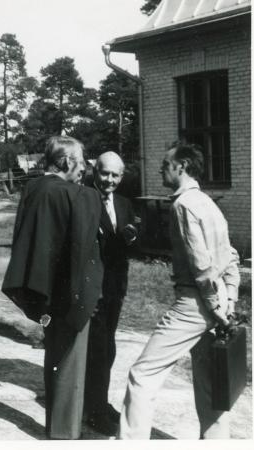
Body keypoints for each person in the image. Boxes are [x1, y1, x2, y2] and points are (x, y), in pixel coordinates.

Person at [118, 143, 240, 439]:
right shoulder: (208, 203)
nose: (161, 169)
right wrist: (229, 301)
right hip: (219, 301)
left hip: (195, 304)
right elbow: (231, 256)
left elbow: (201, 265)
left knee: (142, 374)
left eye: (165, 165)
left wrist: (214, 307)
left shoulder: (183, 205)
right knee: (211, 381)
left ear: (181, 166)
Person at [2, 136, 104, 440]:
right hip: (70, 292)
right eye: (81, 161)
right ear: (67, 161)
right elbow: (86, 226)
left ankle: (56, 427)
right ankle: (65, 434)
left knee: (56, 358)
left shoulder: (34, 188)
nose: (84, 168)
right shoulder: (72, 193)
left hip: (42, 291)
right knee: (71, 363)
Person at [84, 151, 137, 435]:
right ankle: (94, 411)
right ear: (95, 171)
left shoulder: (125, 203)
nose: (109, 180)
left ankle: (99, 403)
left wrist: (133, 236)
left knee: (108, 347)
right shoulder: (84, 198)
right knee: (97, 350)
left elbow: (131, 244)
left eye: (115, 175)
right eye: (105, 173)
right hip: (94, 290)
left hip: (115, 287)